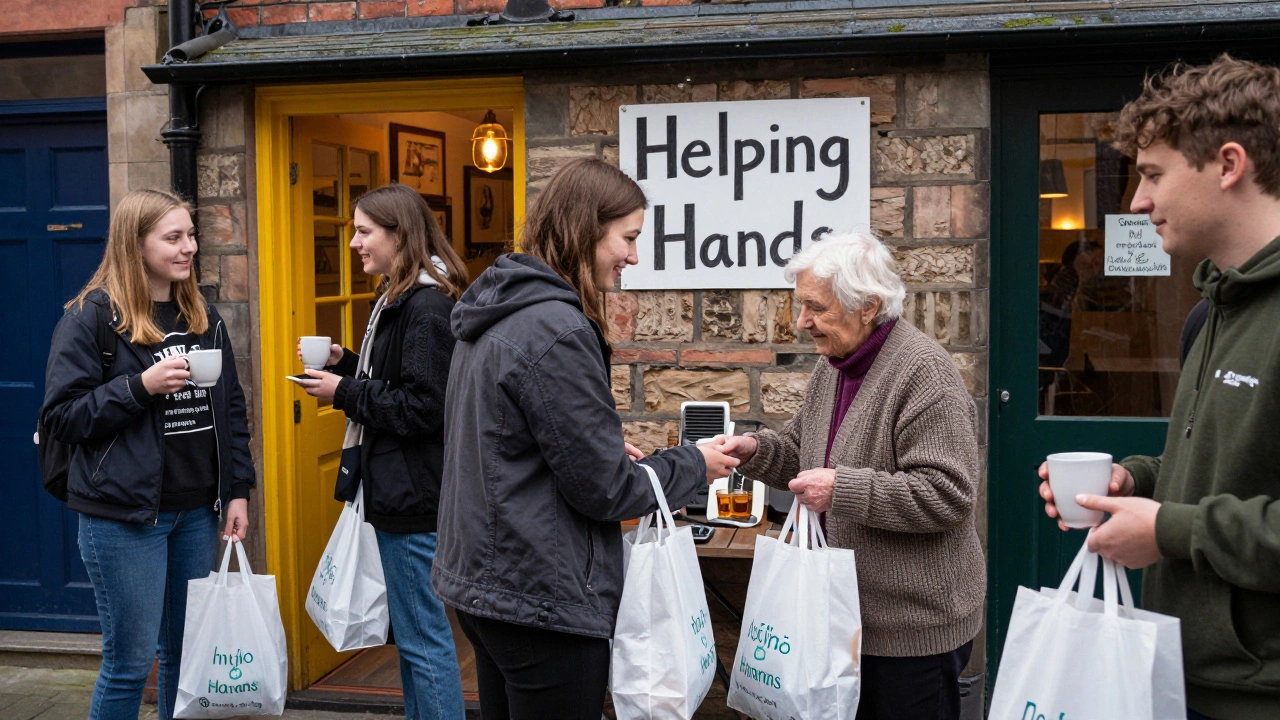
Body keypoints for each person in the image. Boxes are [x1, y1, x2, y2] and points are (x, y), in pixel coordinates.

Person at [431, 158, 739, 720]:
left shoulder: (496, 313)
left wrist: (585, 447)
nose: (634, 257)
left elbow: (501, 441)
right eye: (629, 238)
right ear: (584, 228)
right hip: (538, 595)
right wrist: (694, 463)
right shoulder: (557, 327)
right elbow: (606, 490)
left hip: (484, 583)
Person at [1038, 55, 1280, 719]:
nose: (1137, 202)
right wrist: (1137, 480)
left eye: (1151, 176)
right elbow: (1238, 467)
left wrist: (1170, 530)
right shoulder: (1212, 311)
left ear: (1228, 165)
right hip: (1181, 678)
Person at [713, 232, 984, 720]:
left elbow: (948, 494)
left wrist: (842, 489)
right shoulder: (835, 366)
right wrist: (752, 449)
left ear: (867, 306)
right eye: (801, 306)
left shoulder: (925, 373)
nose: (802, 323)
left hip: (909, 634)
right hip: (842, 622)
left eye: (815, 307)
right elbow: (802, 451)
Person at [41, 188, 255, 720]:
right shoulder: (92, 317)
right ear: (135, 245)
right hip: (125, 517)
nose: (190, 247)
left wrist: (237, 491)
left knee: (187, 659)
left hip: (197, 514)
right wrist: (141, 387)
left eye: (191, 235)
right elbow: (61, 417)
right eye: (174, 237)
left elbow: (230, 412)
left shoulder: (203, 314)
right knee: (130, 664)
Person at [298, 183, 468, 720]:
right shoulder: (400, 299)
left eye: (364, 231)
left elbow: (422, 406)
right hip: (400, 492)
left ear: (400, 234)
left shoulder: (425, 307)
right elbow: (399, 379)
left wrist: (342, 392)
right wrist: (348, 360)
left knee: (424, 643)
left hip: (415, 495)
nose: (354, 243)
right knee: (416, 643)